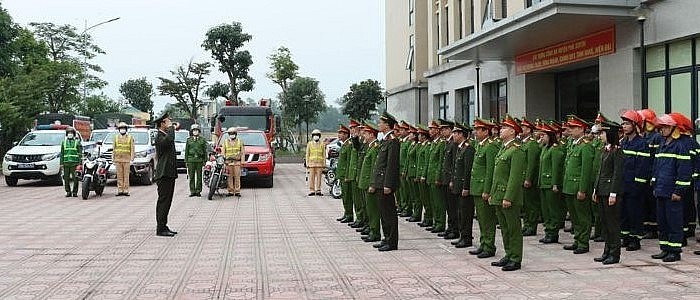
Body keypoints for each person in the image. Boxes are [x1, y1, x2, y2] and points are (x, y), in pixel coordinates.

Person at [651, 113, 692, 262]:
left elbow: (685, 172)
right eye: (661, 127)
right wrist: (654, 183)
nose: (662, 130)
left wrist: (679, 191)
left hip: (672, 192)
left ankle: (675, 251)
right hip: (661, 190)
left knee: (674, 222)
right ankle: (665, 248)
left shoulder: (680, 146)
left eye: (666, 127)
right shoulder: (662, 145)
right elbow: (656, 167)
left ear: (674, 128)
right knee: (662, 222)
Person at [489, 115, 526, 271]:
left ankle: (516, 258)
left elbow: (515, 177)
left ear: (512, 131)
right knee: (504, 228)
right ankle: (509, 253)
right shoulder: (504, 148)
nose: (500, 130)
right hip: (499, 194)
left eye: (504, 128)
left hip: (508, 196)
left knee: (513, 228)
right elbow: (496, 175)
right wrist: (492, 193)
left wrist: (508, 197)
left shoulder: (517, 151)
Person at [592, 118, 624, 265]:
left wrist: (613, 193)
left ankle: (614, 253)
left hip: (610, 192)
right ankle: (607, 251)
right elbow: (600, 172)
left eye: (603, 132)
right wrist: (595, 190)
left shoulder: (617, 151)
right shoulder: (605, 149)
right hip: (602, 190)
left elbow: (617, 173)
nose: (600, 135)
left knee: (613, 224)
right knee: (605, 223)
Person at [562, 115, 594, 254]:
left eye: (573, 127)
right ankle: (577, 239)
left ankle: (583, 242)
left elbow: (586, 171)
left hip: (578, 187)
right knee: (574, 216)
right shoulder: (574, 144)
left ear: (581, 129)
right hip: (569, 186)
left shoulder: (586, 146)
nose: (570, 130)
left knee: (582, 216)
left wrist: (582, 189)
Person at [620, 110, 650, 251]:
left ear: (635, 125)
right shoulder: (623, 142)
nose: (624, 126)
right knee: (623, 213)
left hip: (635, 186)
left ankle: (635, 239)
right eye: (623, 123)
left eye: (627, 124)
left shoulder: (641, 143)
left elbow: (642, 167)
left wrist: (638, 185)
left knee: (635, 213)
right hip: (623, 184)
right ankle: (625, 237)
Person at [468, 118, 499, 258]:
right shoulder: (480, 145)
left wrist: (487, 190)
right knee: (481, 218)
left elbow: (490, 170)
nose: (475, 132)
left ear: (486, 131)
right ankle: (483, 243)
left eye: (478, 130)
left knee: (488, 219)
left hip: (483, 188)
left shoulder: (490, 146)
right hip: (477, 186)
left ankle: (489, 245)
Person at [371, 111, 401, 252]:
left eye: (381, 123)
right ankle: (386, 238)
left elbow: (391, 165)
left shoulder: (393, 141)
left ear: (387, 125)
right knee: (383, 212)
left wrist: (388, 184)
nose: (379, 125)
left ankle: (392, 241)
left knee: (389, 213)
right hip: (380, 182)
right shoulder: (385, 140)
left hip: (386, 183)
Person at [535, 121, 565, 244]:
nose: (542, 138)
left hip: (550, 183)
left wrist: (554, 183)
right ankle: (548, 230)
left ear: (550, 136)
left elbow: (556, 168)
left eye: (544, 136)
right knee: (545, 209)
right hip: (543, 182)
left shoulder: (555, 149)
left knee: (552, 210)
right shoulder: (545, 148)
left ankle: (553, 232)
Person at [450, 122, 475, 248]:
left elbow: (468, 170)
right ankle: (462, 235)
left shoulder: (468, 148)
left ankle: (466, 237)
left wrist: (466, 187)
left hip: (464, 188)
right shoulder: (460, 148)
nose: (453, 135)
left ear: (461, 134)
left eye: (455, 133)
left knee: (466, 213)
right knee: (460, 212)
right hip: (458, 186)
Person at [153, 112, 178, 237]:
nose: (170, 123)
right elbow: (169, 139)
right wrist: (171, 127)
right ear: (162, 123)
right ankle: (160, 228)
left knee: (167, 201)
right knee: (163, 201)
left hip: (169, 173)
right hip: (163, 174)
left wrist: (172, 128)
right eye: (167, 121)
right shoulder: (159, 136)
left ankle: (164, 225)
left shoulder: (164, 135)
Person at [359, 123, 381, 242]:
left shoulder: (375, 148)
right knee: (369, 208)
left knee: (373, 209)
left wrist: (373, 184)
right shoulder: (370, 147)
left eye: (366, 133)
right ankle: (372, 230)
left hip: (370, 184)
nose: (364, 135)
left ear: (371, 134)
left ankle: (375, 232)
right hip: (366, 182)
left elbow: (374, 168)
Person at [520, 118, 541, 236]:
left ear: (528, 130)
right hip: (523, 177)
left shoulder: (532, 143)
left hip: (529, 179)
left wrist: (528, 178)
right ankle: (527, 224)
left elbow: (531, 163)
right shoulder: (524, 143)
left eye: (523, 128)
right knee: (526, 204)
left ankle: (532, 226)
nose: (521, 129)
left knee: (531, 204)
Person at [335, 124, 354, 223]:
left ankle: (349, 214)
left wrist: (347, 175)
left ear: (347, 135)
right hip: (342, 174)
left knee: (347, 196)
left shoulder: (349, 145)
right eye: (339, 133)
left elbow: (349, 161)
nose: (339, 135)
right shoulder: (344, 145)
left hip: (346, 175)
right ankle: (346, 213)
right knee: (344, 196)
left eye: (341, 133)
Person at [185, 124, 208, 197]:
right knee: (191, 177)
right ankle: (192, 191)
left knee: (199, 177)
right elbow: (186, 151)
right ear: (192, 132)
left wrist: (205, 160)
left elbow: (205, 151)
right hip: (191, 160)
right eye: (194, 130)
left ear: (199, 131)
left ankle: (198, 191)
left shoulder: (202, 140)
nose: (195, 132)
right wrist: (186, 161)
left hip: (199, 160)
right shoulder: (189, 140)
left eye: (196, 130)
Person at [113, 122, 135, 196]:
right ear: (119, 129)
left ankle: (125, 190)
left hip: (126, 160)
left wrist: (132, 159)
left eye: (123, 128)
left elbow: (132, 148)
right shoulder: (116, 137)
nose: (122, 130)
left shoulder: (130, 137)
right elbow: (114, 149)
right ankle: (120, 190)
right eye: (121, 128)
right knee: (119, 176)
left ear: (126, 129)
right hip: (118, 159)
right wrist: (113, 159)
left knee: (126, 176)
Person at [222, 127, 245, 197]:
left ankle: (237, 191)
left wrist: (242, 162)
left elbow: (242, 152)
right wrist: (224, 161)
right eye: (230, 134)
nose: (232, 135)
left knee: (237, 177)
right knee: (229, 177)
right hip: (228, 162)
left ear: (236, 134)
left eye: (233, 133)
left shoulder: (240, 142)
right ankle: (231, 191)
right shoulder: (225, 142)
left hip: (237, 162)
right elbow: (223, 152)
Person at [61, 127, 82, 198]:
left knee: (75, 178)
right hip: (66, 163)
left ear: (74, 134)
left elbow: (80, 154)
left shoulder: (77, 142)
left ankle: (75, 192)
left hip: (75, 163)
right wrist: (61, 164)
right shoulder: (63, 142)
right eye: (69, 133)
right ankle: (68, 192)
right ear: (67, 134)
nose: (70, 134)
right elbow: (62, 153)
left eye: (71, 133)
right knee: (66, 179)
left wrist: (79, 164)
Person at [306, 129, 326, 196]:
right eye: (314, 135)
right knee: (311, 178)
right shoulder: (309, 144)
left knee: (319, 178)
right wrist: (307, 163)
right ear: (312, 136)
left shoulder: (322, 144)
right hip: (311, 164)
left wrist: (324, 163)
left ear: (319, 136)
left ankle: (318, 190)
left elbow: (324, 155)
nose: (316, 136)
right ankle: (312, 190)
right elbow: (307, 154)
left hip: (319, 164)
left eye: (317, 135)